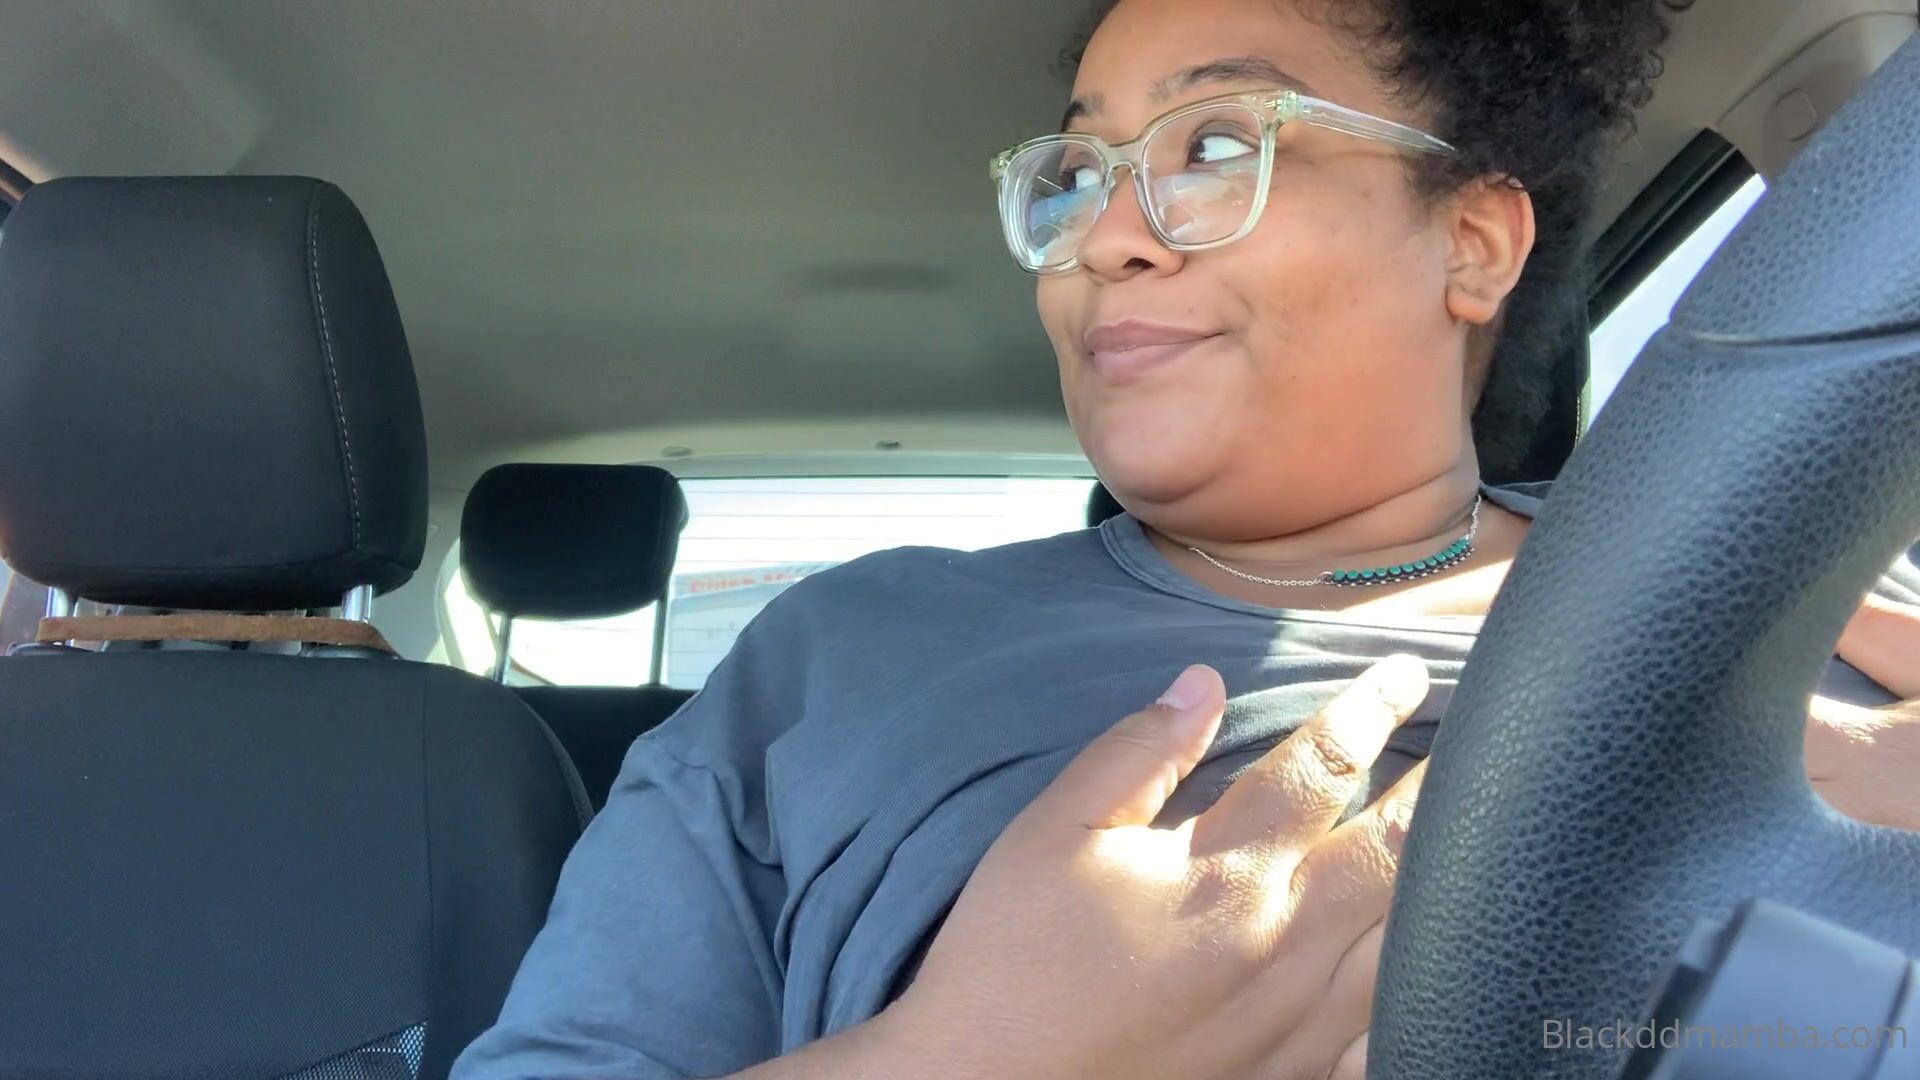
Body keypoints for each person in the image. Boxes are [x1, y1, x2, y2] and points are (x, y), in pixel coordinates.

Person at [453, 1, 1920, 1077]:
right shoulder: (839, 653)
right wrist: (965, 1058)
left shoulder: (1807, 580)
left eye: (1217, 144)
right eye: (1077, 175)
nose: (1104, 237)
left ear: (1472, 244)